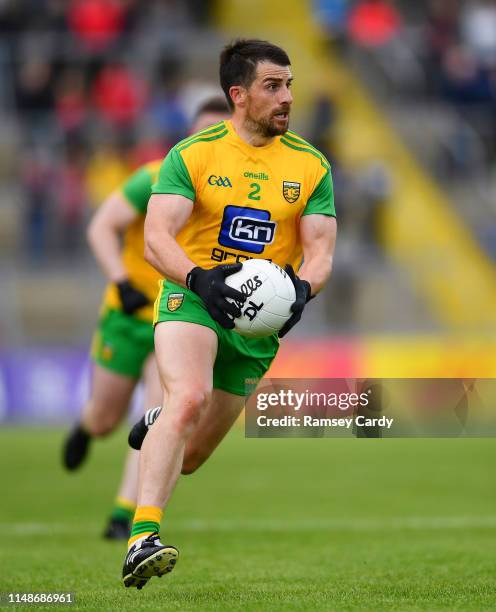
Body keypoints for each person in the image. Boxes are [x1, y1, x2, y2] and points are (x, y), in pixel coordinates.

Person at [121, 39, 337, 589]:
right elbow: (155, 238)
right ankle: (141, 538)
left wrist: (300, 295)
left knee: (189, 457)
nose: (286, 96)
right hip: (193, 295)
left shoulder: (311, 166)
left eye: (289, 84)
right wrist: (197, 278)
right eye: (273, 85)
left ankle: (160, 425)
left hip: (258, 321)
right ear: (237, 95)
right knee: (187, 396)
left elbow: (320, 254)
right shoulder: (192, 154)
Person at [62, 97, 231, 540]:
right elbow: (101, 226)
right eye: (205, 132)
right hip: (127, 314)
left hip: (177, 315)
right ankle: (85, 425)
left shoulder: (234, 190)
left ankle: (124, 515)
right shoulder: (155, 178)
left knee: (163, 412)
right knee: (106, 418)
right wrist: (120, 280)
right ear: (190, 137)